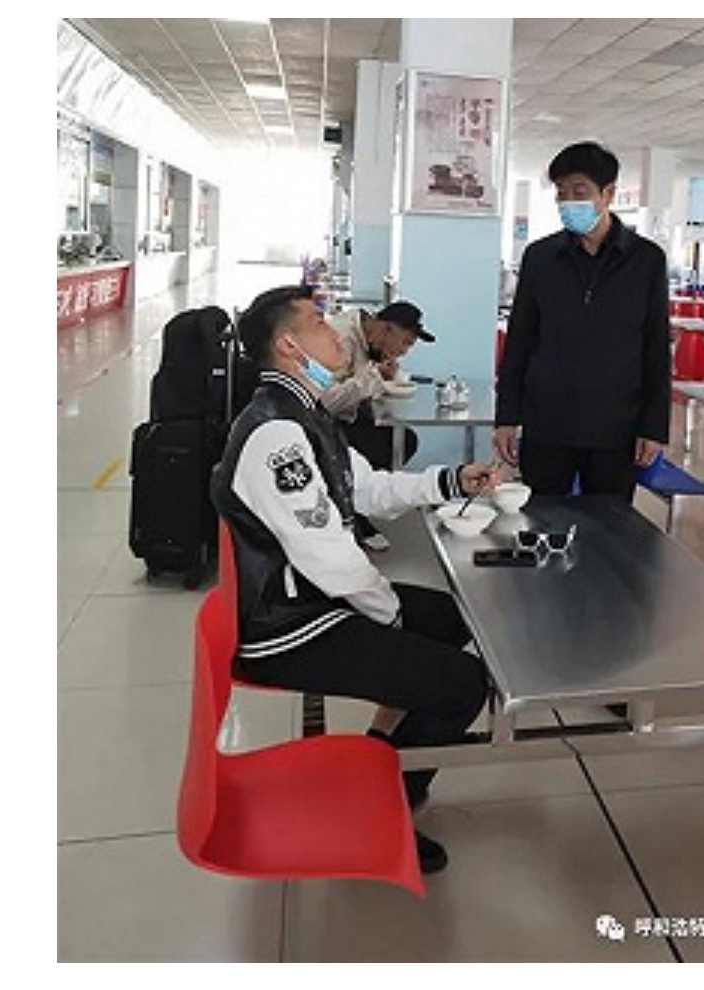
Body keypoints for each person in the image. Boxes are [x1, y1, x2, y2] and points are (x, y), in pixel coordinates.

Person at [211, 285, 497, 874]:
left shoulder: (307, 411)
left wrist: (449, 482)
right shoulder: (276, 432)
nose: (334, 329)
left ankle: (383, 754)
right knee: (463, 684)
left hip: (313, 599)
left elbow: (365, 488)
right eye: (318, 322)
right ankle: (384, 805)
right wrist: (388, 612)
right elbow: (327, 554)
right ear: (289, 346)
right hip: (287, 627)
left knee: (454, 618)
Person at [493, 141, 672, 500]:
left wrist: (653, 427)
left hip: (616, 428)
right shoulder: (540, 258)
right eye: (561, 192)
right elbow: (520, 341)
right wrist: (507, 416)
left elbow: (655, 348)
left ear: (608, 194)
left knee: (610, 525)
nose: (568, 202)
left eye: (579, 191)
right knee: (542, 519)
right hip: (547, 422)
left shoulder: (646, 261)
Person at [322, 300, 437, 551]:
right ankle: (351, 513)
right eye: (405, 343)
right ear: (386, 328)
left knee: (401, 438)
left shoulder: (367, 339)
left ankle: (355, 507)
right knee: (395, 443)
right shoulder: (343, 339)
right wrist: (375, 377)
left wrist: (378, 376)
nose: (404, 352)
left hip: (344, 419)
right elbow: (327, 400)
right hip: (321, 426)